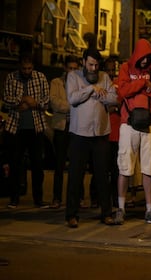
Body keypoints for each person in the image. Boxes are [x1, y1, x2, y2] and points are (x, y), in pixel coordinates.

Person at [114, 38, 151, 225]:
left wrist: (147, 88)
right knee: (125, 168)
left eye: (148, 58)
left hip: (149, 125)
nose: (145, 61)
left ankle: (149, 210)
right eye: (143, 58)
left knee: (148, 169)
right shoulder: (126, 68)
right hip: (128, 124)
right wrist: (143, 85)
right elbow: (123, 91)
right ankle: (120, 208)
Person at [65, 48, 118, 228]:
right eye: (90, 64)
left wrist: (99, 94)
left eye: (96, 65)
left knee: (103, 175)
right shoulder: (73, 77)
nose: (94, 68)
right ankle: (72, 215)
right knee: (75, 175)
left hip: (101, 133)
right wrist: (91, 89)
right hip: (80, 133)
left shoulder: (105, 77)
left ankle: (106, 213)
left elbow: (113, 99)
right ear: (83, 62)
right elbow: (72, 98)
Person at [2, 52, 50, 209]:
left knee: (37, 165)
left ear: (33, 67)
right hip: (16, 128)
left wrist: (33, 102)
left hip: (36, 127)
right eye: (24, 68)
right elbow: (6, 98)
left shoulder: (40, 77)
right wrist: (22, 100)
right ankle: (14, 198)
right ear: (19, 67)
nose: (27, 71)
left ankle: (38, 198)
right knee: (15, 164)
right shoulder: (11, 77)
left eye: (29, 68)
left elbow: (46, 101)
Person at [49, 55, 79, 209]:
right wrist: (73, 105)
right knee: (59, 164)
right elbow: (55, 103)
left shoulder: (80, 83)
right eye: (70, 68)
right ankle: (56, 197)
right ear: (65, 68)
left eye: (75, 68)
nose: (72, 71)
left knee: (76, 165)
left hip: (76, 128)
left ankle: (75, 199)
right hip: (61, 127)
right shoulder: (56, 82)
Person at [103, 57, 121, 208]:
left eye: (112, 70)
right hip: (103, 132)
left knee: (116, 170)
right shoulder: (100, 84)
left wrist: (114, 107)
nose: (110, 73)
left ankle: (115, 198)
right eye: (108, 70)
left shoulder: (119, 84)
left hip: (116, 134)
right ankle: (99, 197)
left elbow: (121, 103)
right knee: (102, 169)